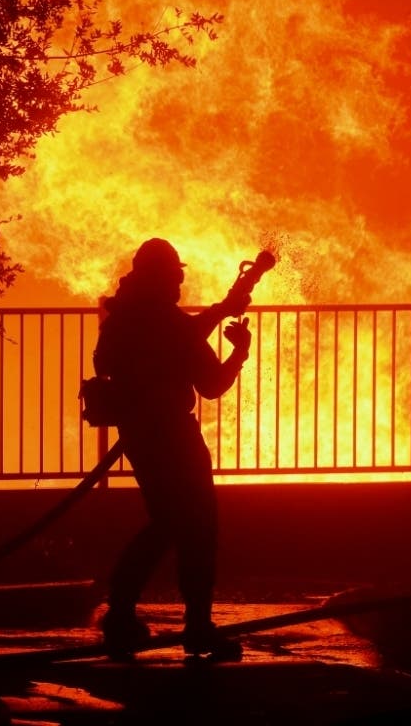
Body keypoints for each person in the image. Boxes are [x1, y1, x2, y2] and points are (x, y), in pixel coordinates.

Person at [93, 237, 252, 661]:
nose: (180, 283)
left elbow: (171, 338)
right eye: (177, 276)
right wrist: (240, 352)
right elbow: (212, 384)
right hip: (175, 437)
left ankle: (120, 616)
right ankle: (197, 627)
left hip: (140, 435)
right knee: (199, 528)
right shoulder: (167, 323)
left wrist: (221, 309)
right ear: (166, 278)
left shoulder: (122, 318)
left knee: (165, 523)